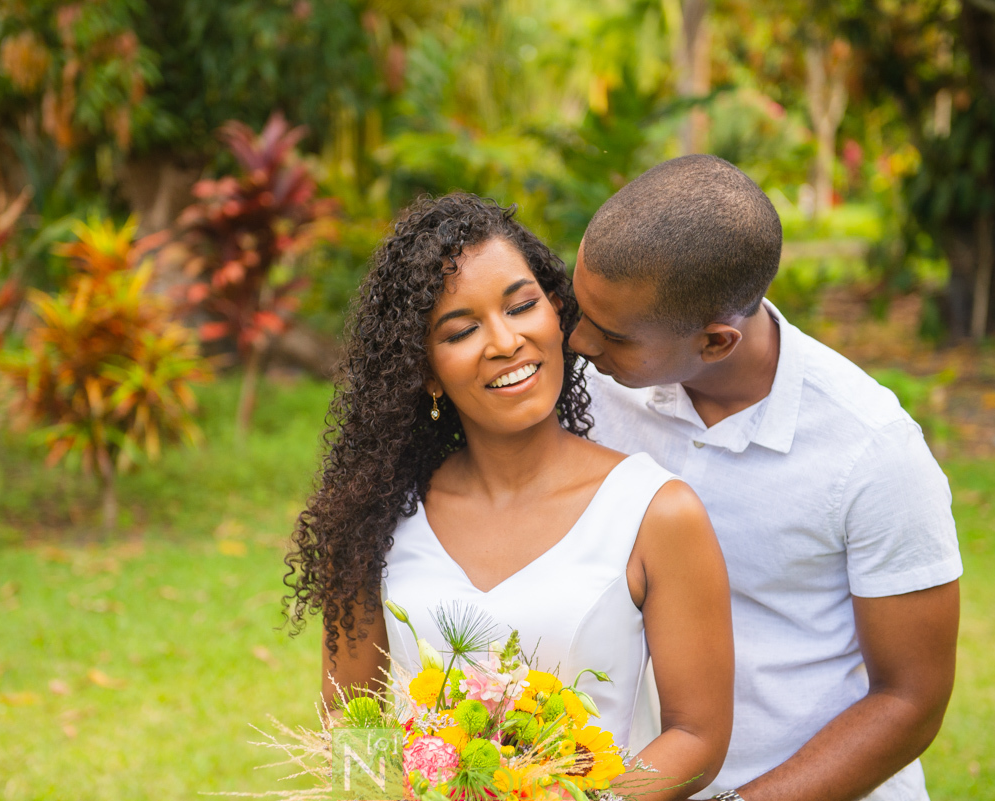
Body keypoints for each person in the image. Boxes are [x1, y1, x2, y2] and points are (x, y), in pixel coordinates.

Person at [284, 193, 734, 800]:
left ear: (557, 312)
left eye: (522, 306)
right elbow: (348, 724)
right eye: (461, 330)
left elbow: (696, 735)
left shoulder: (655, 511)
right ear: (423, 369)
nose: (505, 341)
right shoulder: (374, 520)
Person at [568, 154, 963, 801]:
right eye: (578, 307)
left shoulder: (871, 451)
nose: (578, 341)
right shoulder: (593, 387)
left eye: (610, 332)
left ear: (716, 342)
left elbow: (910, 698)